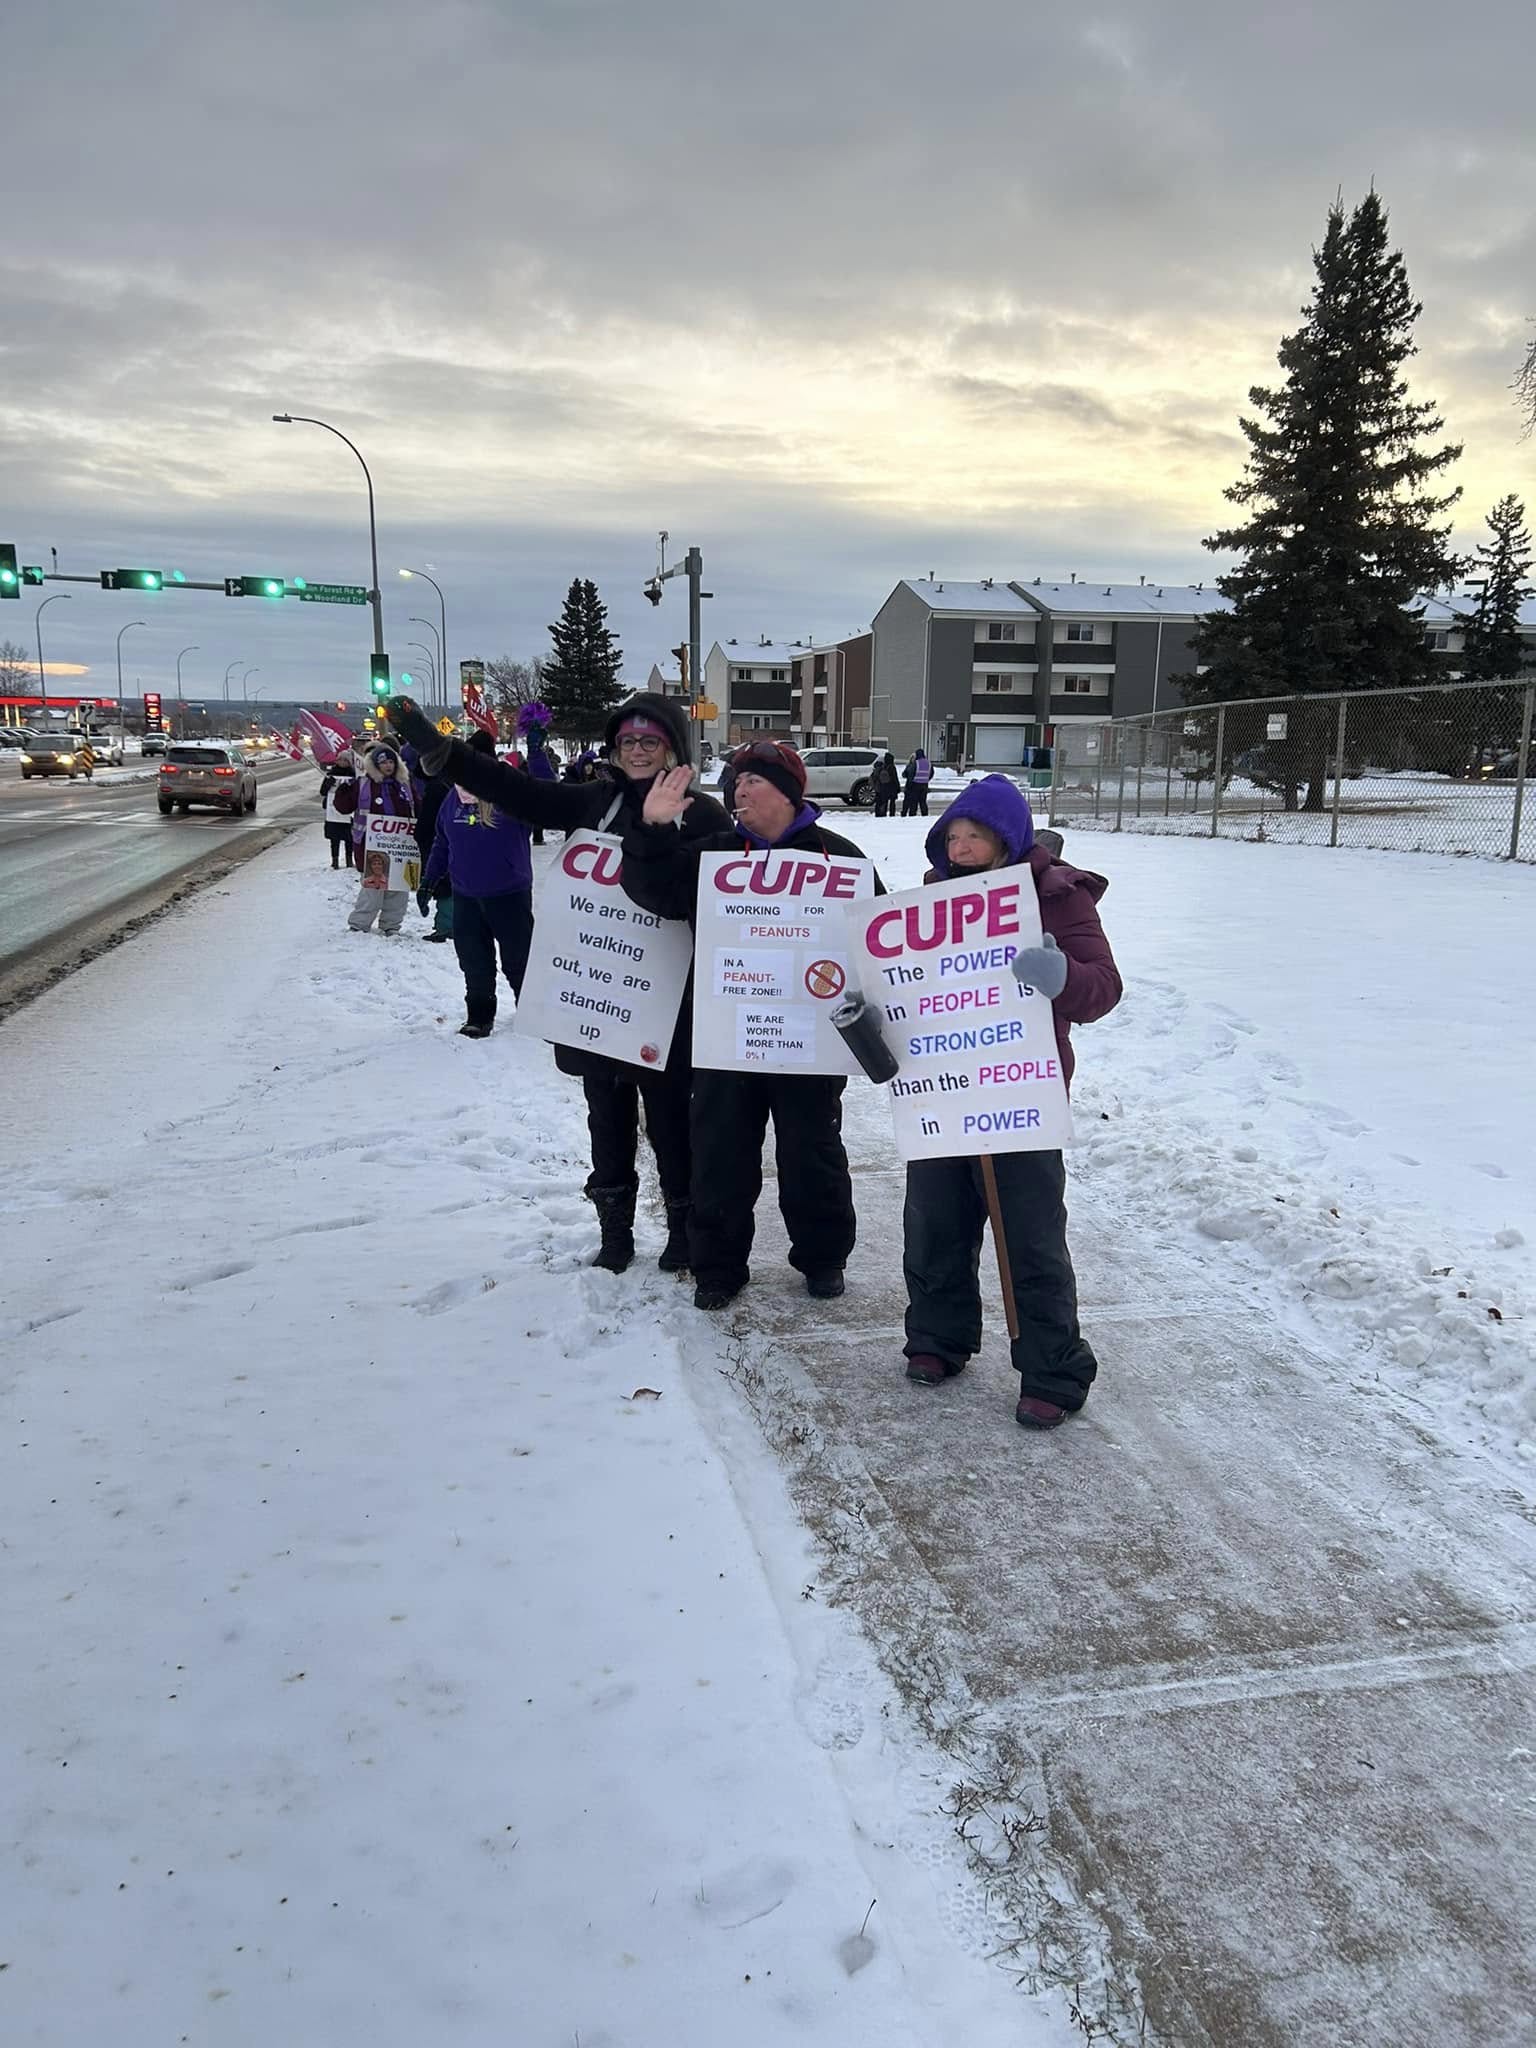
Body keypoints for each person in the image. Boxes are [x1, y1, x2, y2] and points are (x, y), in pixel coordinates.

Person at [384, 690, 729, 1272]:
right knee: (607, 1120)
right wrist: (439, 748)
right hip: (596, 994)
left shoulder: (704, 815)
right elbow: (519, 791)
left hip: (667, 1001)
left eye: (650, 740)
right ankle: (615, 1230)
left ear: (673, 747)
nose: (638, 750)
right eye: (627, 741)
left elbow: (717, 901)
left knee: (672, 1125)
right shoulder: (595, 800)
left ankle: (682, 1228)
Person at [622, 738, 883, 1313]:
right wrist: (654, 831)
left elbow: (876, 943)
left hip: (808, 1044)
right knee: (719, 1154)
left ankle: (822, 1257)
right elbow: (652, 892)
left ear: (788, 793)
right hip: (727, 1037)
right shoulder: (712, 856)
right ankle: (717, 1266)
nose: (738, 789)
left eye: (753, 781)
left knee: (812, 1152)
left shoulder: (839, 858)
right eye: (735, 781)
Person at [899, 776, 1121, 1430]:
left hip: (1019, 1092)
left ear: (1008, 838)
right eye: (952, 837)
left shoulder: (1058, 897)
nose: (961, 848)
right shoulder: (933, 898)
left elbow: (1102, 988)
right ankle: (937, 1338)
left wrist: (1063, 979)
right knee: (935, 1223)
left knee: (1029, 1235)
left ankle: (1054, 1368)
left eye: (975, 836)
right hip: (943, 1087)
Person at [424, 729, 535, 1039]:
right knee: (474, 960)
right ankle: (479, 1016)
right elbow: (443, 842)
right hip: (467, 896)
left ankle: (531, 1013)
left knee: (519, 960)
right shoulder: (452, 798)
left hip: (509, 894)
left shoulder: (510, 793)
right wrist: (429, 879)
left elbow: (546, 794)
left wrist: (536, 751)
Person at [338, 741, 417, 935]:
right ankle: (359, 924)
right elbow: (343, 807)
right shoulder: (363, 784)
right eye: (383, 763)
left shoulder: (405, 785)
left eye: (392, 762)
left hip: (401, 846)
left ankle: (391, 925)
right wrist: (342, 789)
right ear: (375, 765)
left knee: (398, 889)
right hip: (370, 846)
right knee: (372, 889)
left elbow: (418, 810)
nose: (388, 766)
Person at [404, 741, 454, 944]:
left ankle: (446, 925)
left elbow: (428, 820)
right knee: (448, 883)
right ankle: (445, 923)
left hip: (436, 841)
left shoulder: (435, 788)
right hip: (446, 840)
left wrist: (420, 836)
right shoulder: (448, 783)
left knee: (444, 884)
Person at [320, 751, 358, 869]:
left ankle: (349, 860)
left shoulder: (354, 774)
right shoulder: (331, 774)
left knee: (349, 838)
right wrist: (328, 784)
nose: (342, 762)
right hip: (332, 811)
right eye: (340, 760)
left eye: (345, 760)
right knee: (334, 838)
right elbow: (322, 792)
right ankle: (334, 860)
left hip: (348, 812)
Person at [872, 751, 901, 818]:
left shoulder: (883, 766)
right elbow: (895, 778)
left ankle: (883, 813)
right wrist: (898, 787)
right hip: (892, 787)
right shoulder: (892, 767)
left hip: (884, 787)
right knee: (892, 802)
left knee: (884, 802)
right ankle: (892, 814)